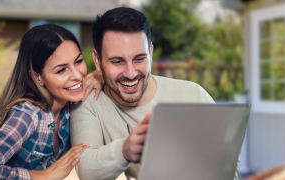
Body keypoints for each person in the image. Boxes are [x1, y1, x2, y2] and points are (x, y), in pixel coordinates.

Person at [70, 7, 240, 180]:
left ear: (150, 54)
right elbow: (86, 169)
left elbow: (231, 166)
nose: (131, 73)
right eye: (117, 62)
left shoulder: (193, 94)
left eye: (139, 59)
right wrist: (125, 150)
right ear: (98, 61)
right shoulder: (87, 101)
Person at [0, 24, 105, 180]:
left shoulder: (70, 105)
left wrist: (100, 75)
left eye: (78, 61)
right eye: (61, 70)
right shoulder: (28, 115)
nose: (78, 76)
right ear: (37, 77)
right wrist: (44, 176)